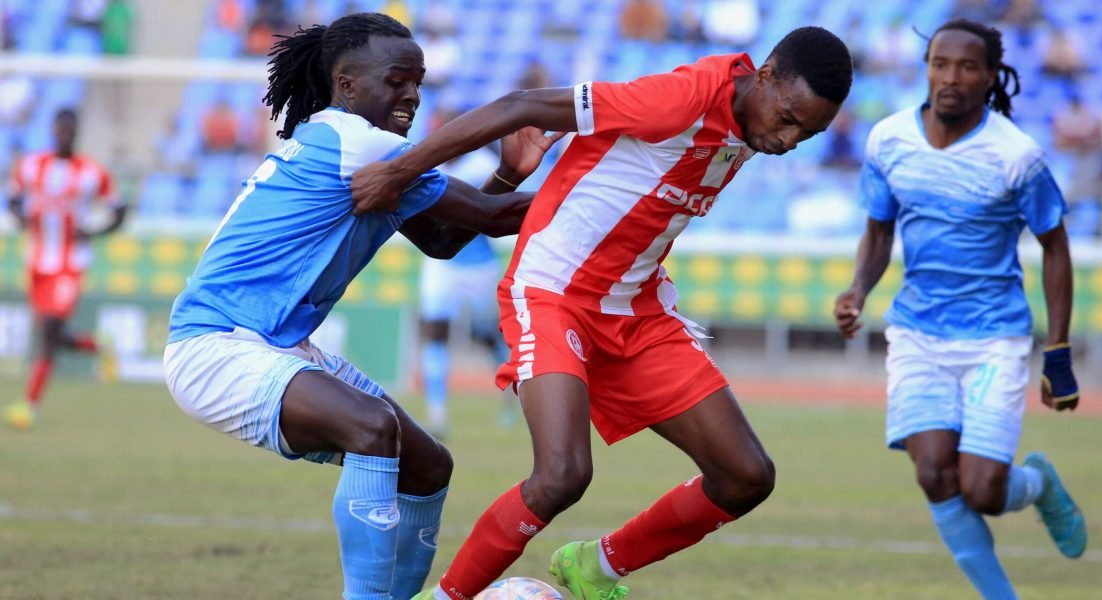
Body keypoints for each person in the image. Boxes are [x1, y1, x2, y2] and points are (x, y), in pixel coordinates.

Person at [352, 26, 853, 600]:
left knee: (746, 477)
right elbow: (521, 106)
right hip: (554, 291)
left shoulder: (752, 119)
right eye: (788, 118)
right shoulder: (684, 97)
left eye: (807, 134)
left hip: (636, 308)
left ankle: (595, 569)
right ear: (764, 75)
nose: (789, 139)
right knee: (563, 475)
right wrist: (401, 170)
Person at [161, 13, 560, 600]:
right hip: (217, 346)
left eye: (418, 82)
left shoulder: (368, 149)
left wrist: (505, 173)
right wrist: (609, 188)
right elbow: (496, 218)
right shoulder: (358, 142)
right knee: (371, 429)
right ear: (347, 86)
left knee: (427, 468)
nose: (412, 95)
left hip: (271, 345)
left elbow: (444, 240)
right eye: (397, 80)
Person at [832, 19, 1087, 600]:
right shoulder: (889, 140)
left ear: (991, 76)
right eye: (940, 64)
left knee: (983, 488)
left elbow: (1056, 248)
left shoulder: (1016, 157)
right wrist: (858, 290)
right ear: (926, 69)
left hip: (993, 337)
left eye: (967, 67)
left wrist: (1059, 352)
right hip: (917, 333)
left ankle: (1037, 483)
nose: (951, 78)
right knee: (932, 474)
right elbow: (878, 231)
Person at [4, 108, 125, 430]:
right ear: (53, 130)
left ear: (76, 132)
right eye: (60, 130)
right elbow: (14, 198)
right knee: (52, 336)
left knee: (48, 334)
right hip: (37, 263)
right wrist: (20, 215)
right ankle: (99, 346)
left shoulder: (90, 173)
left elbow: (119, 210)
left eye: (69, 131)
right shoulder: (32, 166)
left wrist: (93, 231)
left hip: (70, 264)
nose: (64, 135)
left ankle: (29, 405)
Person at [417, 143, 517, 439]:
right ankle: (437, 415)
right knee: (434, 331)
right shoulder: (428, 162)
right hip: (441, 265)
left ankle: (510, 403)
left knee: (487, 335)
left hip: (479, 267)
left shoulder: (481, 165)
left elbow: (500, 207)